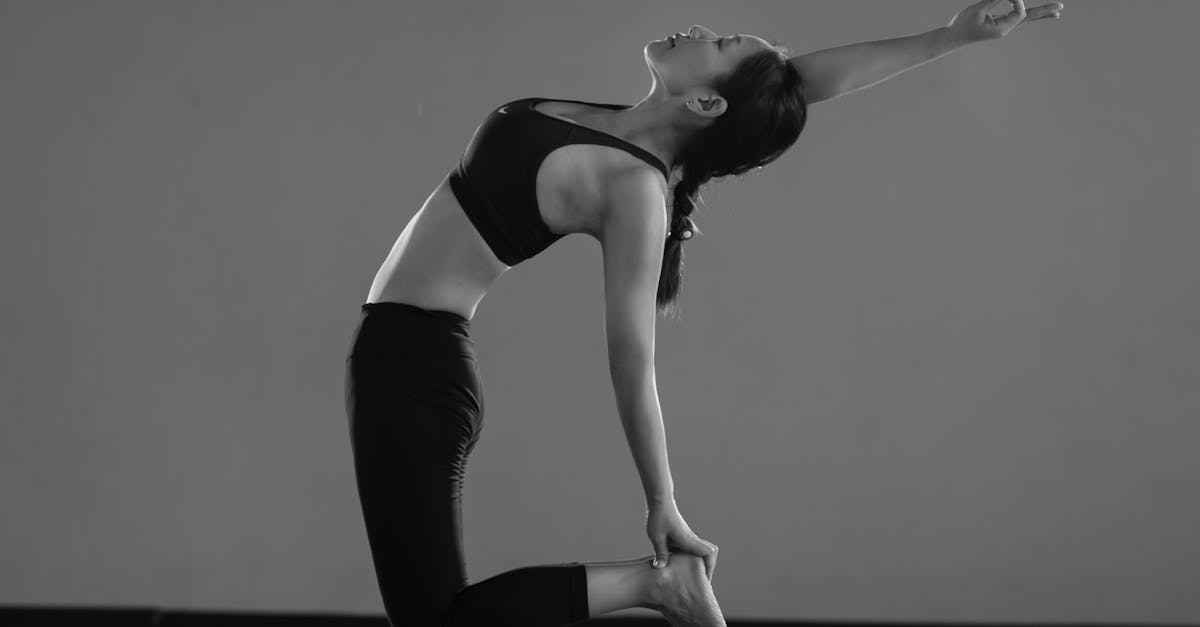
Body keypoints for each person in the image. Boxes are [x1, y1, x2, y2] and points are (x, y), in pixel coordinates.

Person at [343, 2, 1064, 625]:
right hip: (402, 355)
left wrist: (662, 501)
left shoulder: (635, 189)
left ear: (708, 105)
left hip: (415, 367)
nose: (700, 30)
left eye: (718, 44)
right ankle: (651, 584)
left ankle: (653, 584)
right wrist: (950, 36)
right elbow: (793, 83)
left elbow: (632, 360)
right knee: (431, 612)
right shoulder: (628, 129)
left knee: (434, 618)